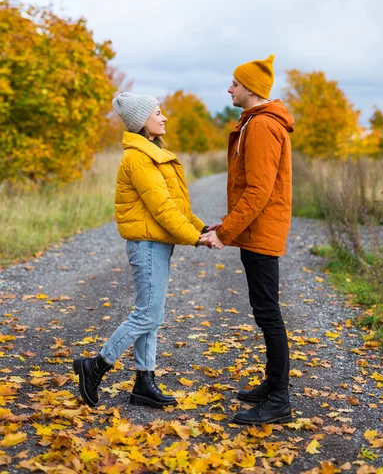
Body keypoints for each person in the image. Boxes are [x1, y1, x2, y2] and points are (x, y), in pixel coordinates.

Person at [73, 93, 209, 409]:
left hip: (156, 243)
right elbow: (162, 209)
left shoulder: (153, 153)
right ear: (142, 121)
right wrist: (194, 238)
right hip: (147, 245)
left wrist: (201, 228)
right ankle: (96, 366)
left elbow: (175, 204)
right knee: (147, 314)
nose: (164, 118)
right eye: (157, 113)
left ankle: (143, 382)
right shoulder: (138, 157)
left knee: (153, 315)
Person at [201, 55, 294, 425]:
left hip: (262, 233)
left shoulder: (261, 127)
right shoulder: (256, 123)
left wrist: (225, 233)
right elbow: (250, 190)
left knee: (268, 313)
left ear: (251, 89)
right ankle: (273, 385)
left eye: (234, 84)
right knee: (263, 310)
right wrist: (224, 224)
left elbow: (257, 191)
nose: (229, 89)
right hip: (255, 231)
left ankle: (280, 400)